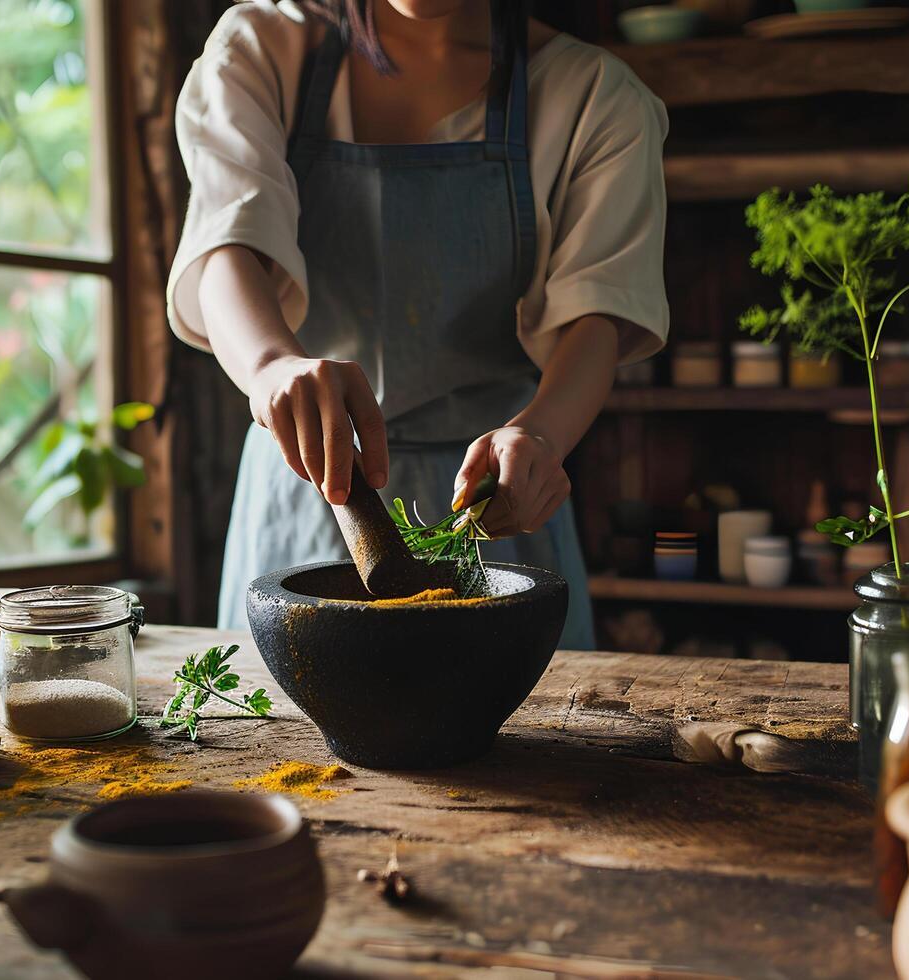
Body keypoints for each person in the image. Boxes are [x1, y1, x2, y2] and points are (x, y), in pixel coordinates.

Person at [167, 0, 668, 649]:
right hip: (304, 497)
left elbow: (597, 315)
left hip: (495, 512)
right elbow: (226, 248)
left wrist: (540, 437)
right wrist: (270, 368)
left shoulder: (595, 97)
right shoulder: (263, 49)